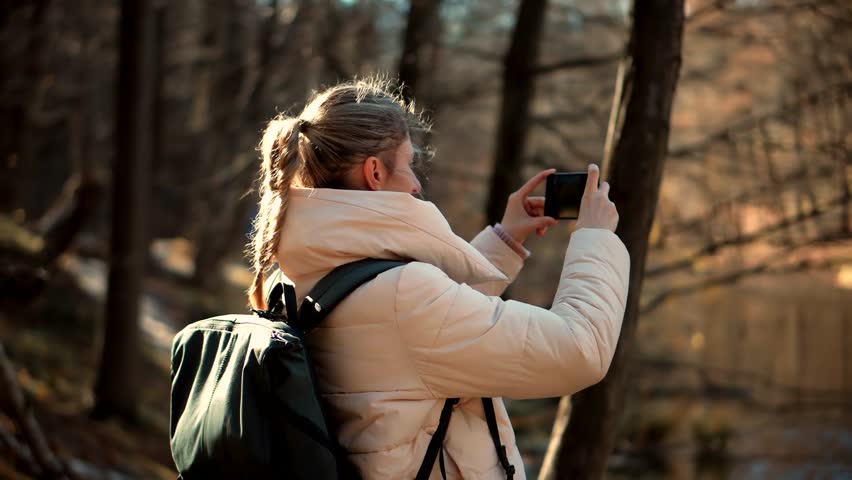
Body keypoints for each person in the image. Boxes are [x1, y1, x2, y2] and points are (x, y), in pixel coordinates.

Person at [247, 78, 629, 479]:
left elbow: (419, 328)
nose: (415, 183)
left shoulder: (290, 278)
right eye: (409, 163)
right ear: (374, 172)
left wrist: (505, 238)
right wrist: (595, 238)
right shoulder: (404, 297)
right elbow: (580, 350)